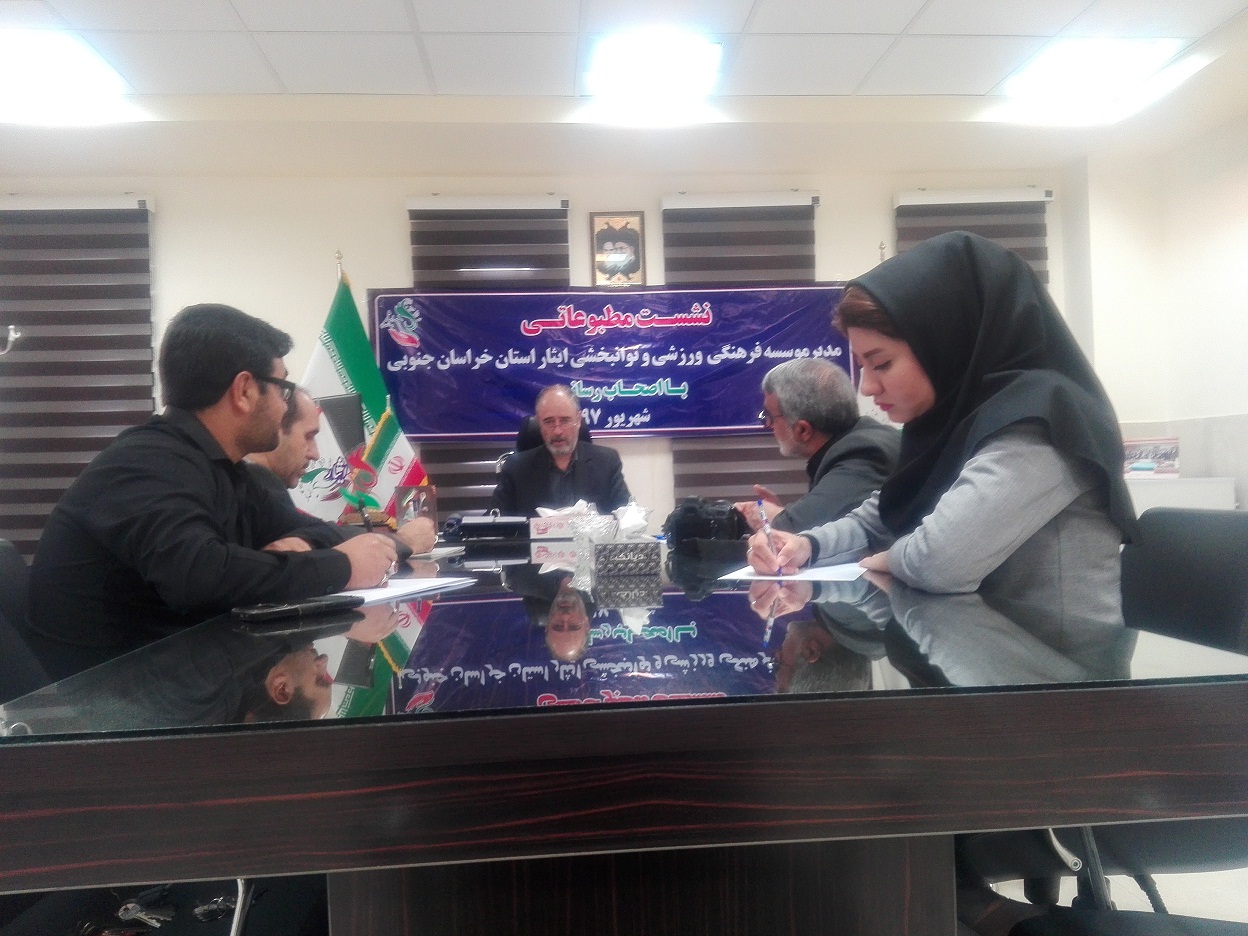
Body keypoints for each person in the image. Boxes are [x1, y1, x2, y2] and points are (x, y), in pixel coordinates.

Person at [747, 232, 1136, 629]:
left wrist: (884, 558)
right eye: (862, 366)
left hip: (1054, 663)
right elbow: (877, 518)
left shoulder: (1040, 421)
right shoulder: (953, 423)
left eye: (881, 364)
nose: (867, 388)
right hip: (978, 643)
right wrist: (804, 545)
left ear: (946, 343)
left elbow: (936, 562)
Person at [25, 303, 398, 680]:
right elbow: (200, 577)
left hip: (179, 682)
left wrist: (302, 543)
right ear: (244, 391)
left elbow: (319, 530)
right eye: (283, 389)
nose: (285, 406)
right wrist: (343, 566)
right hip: (104, 701)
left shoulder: (225, 468)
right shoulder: (147, 463)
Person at [246, 387, 437, 556]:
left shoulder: (258, 482)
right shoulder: (254, 484)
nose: (315, 454)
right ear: (276, 429)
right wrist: (404, 540)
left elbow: (318, 533)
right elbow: (305, 546)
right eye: (308, 436)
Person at [733, 358, 899, 533]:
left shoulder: (865, 454)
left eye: (769, 416)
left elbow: (801, 528)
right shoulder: (859, 440)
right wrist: (782, 513)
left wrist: (770, 518)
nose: (767, 424)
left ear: (803, 430)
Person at [491, 384, 631, 517]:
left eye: (565, 420)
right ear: (539, 423)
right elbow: (494, 522)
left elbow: (627, 516)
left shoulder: (607, 462)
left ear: (578, 420)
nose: (557, 431)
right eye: (549, 421)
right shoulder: (516, 468)